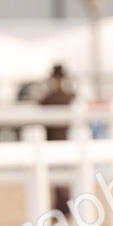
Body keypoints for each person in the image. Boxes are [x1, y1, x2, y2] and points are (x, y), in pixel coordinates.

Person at [38, 63, 75, 214]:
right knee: (63, 176)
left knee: (59, 177)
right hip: (63, 140)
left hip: (56, 140)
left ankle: (62, 205)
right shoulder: (69, 97)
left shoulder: (48, 99)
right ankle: (64, 204)